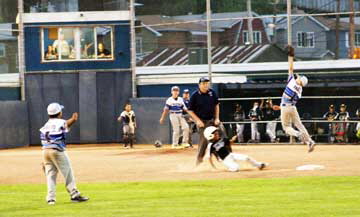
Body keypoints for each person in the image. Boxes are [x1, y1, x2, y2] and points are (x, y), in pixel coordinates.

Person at [40, 103, 89, 205]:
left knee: (50, 176)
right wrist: (73, 120)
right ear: (59, 113)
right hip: (56, 151)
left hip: (45, 151)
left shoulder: (46, 124)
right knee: (68, 173)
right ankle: (74, 194)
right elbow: (66, 124)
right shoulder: (60, 121)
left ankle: (51, 199)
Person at [280, 45, 315, 152]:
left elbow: (290, 68)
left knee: (286, 128)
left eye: (299, 78)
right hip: (293, 107)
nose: (298, 77)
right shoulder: (300, 90)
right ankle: (310, 141)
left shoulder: (292, 81)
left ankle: (297, 134)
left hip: (285, 107)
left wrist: (291, 56)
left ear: (300, 80)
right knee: (299, 124)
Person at [187, 77, 224, 165]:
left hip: (212, 120)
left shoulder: (212, 92)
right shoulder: (195, 95)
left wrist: (217, 118)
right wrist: (198, 121)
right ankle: (198, 161)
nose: (206, 85)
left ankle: (221, 155)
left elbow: (216, 105)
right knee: (204, 141)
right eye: (203, 83)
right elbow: (190, 110)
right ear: (199, 85)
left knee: (221, 134)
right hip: (202, 122)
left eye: (207, 83)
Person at [203, 126, 268, 172]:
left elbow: (229, 142)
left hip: (230, 155)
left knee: (246, 157)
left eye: (217, 133)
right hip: (225, 160)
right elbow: (209, 157)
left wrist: (233, 139)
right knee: (236, 168)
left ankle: (259, 165)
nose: (217, 134)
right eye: (215, 134)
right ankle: (230, 167)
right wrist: (213, 167)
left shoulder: (222, 139)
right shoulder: (210, 145)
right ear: (210, 135)